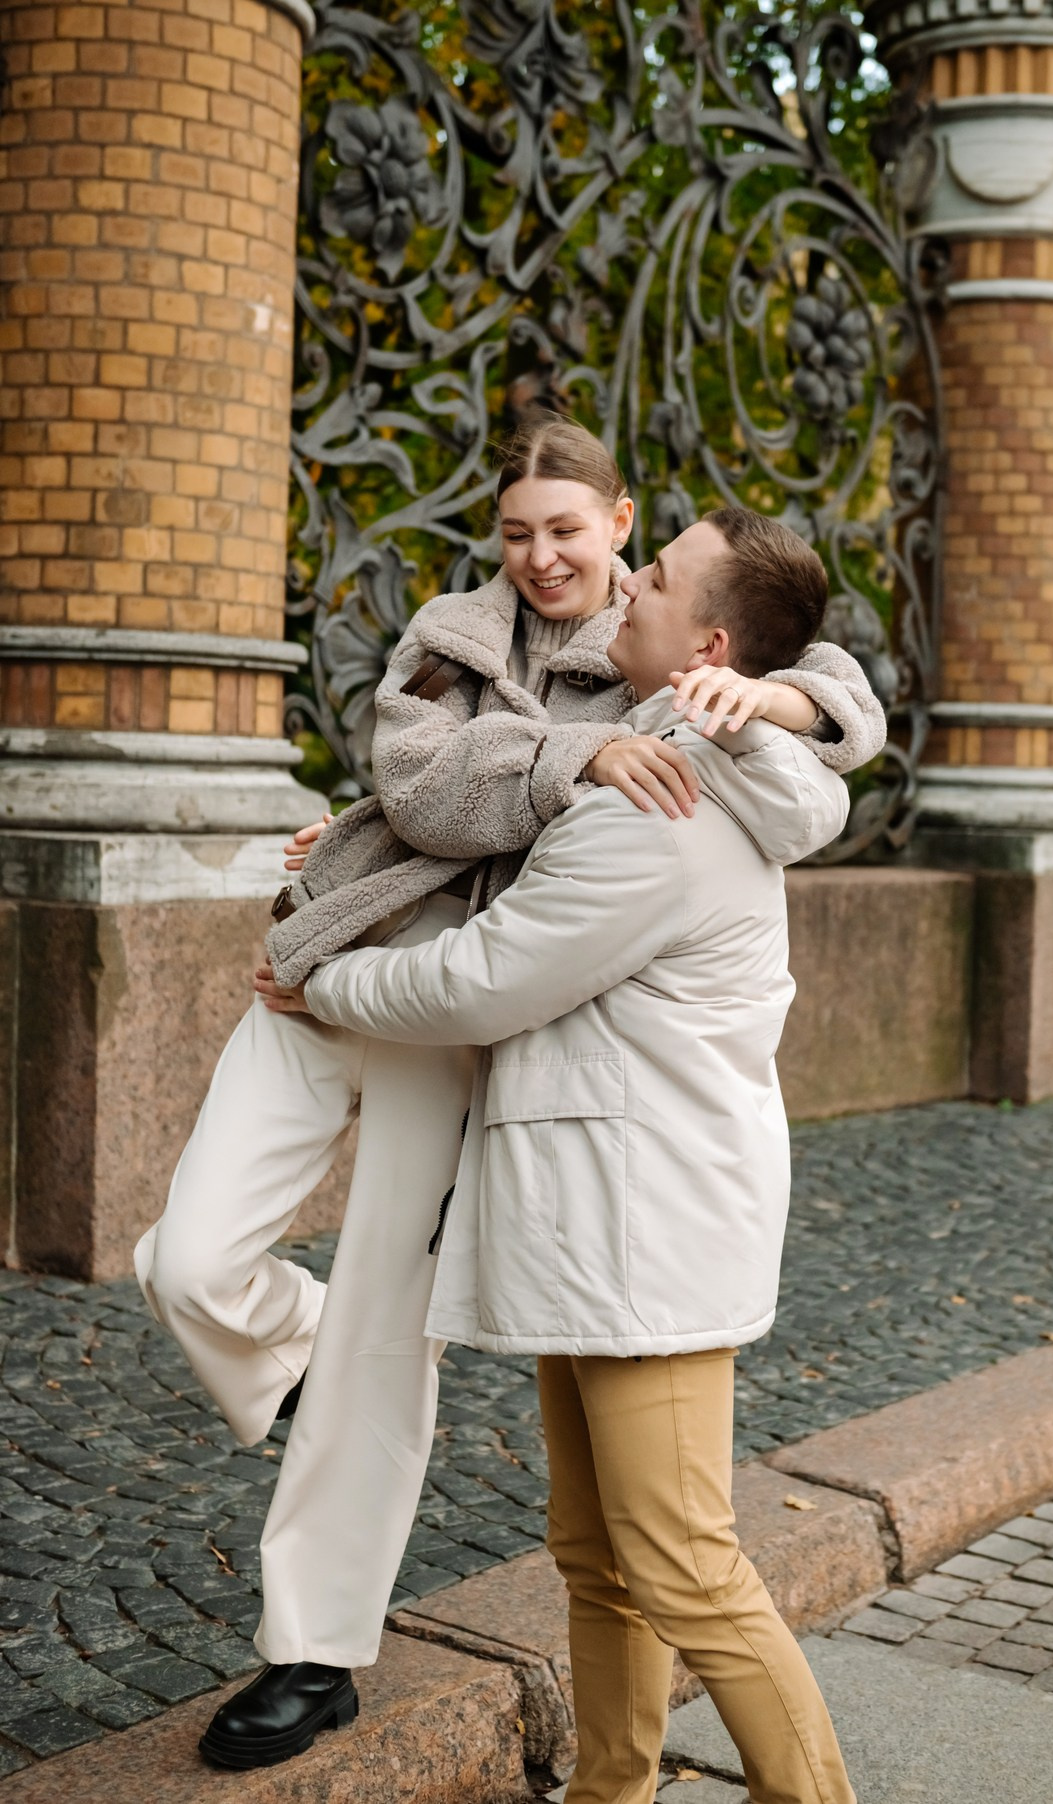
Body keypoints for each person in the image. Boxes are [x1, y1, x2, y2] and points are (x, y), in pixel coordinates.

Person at [134, 415, 885, 1768]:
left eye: (576, 531)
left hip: (465, 1017)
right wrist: (567, 758)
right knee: (190, 1259)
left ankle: (313, 1649)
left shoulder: (689, 667)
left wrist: (777, 701)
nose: (545, 556)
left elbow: (826, 702)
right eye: (519, 529)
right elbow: (415, 780)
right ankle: (285, 1348)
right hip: (337, 951)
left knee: (401, 1342)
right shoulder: (454, 632)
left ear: (621, 525)